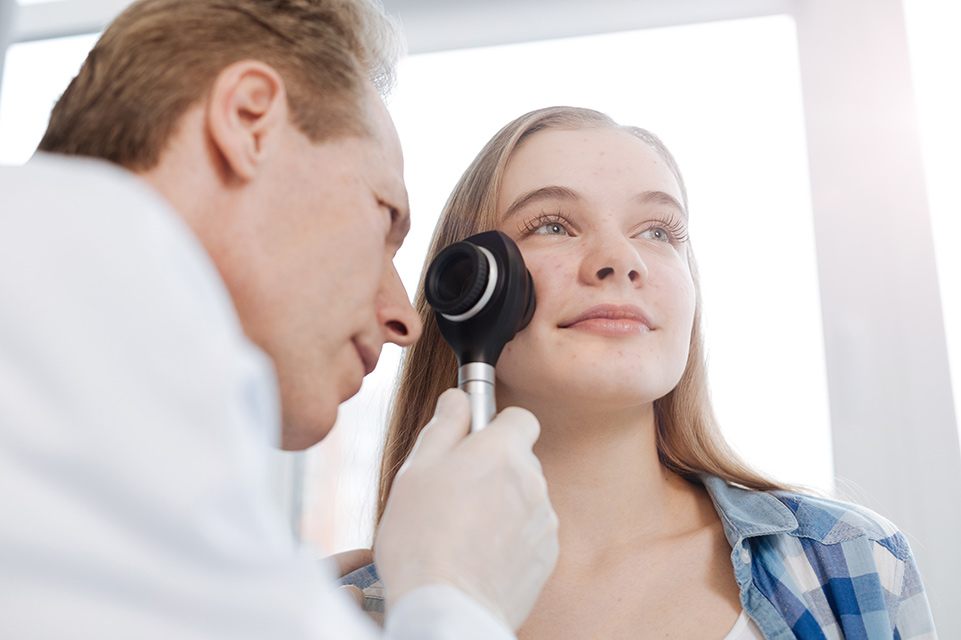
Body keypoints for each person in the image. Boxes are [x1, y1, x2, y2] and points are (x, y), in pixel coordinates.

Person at [0, 1, 559, 638]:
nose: (405, 318)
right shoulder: (95, 311)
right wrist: (458, 598)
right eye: (383, 220)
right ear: (248, 120)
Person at [343, 106, 939, 639]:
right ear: (466, 287)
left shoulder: (851, 560)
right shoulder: (344, 617)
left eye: (658, 232)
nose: (621, 262)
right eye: (553, 224)